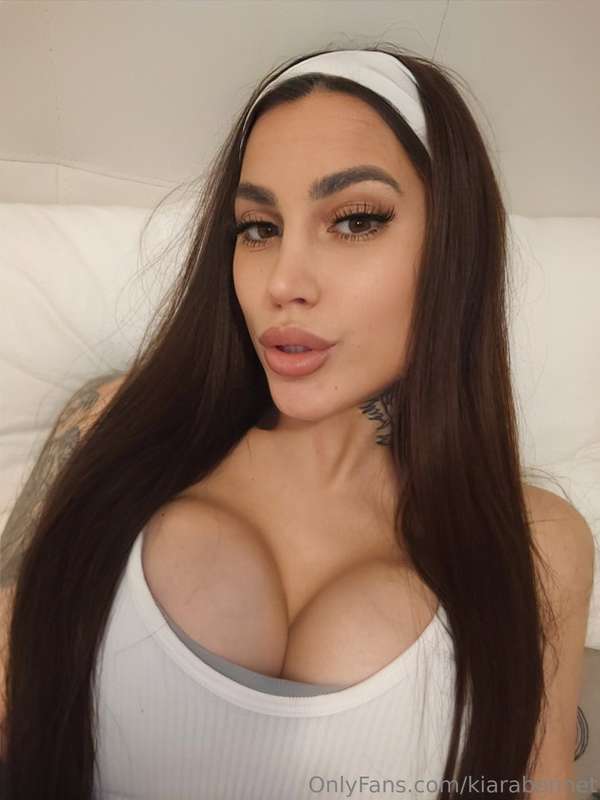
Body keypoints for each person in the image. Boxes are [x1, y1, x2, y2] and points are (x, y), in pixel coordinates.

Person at [0, 44, 594, 800]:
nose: (283, 282)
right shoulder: (110, 425)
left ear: (456, 245)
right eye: (258, 228)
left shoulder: (538, 544)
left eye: (355, 220)